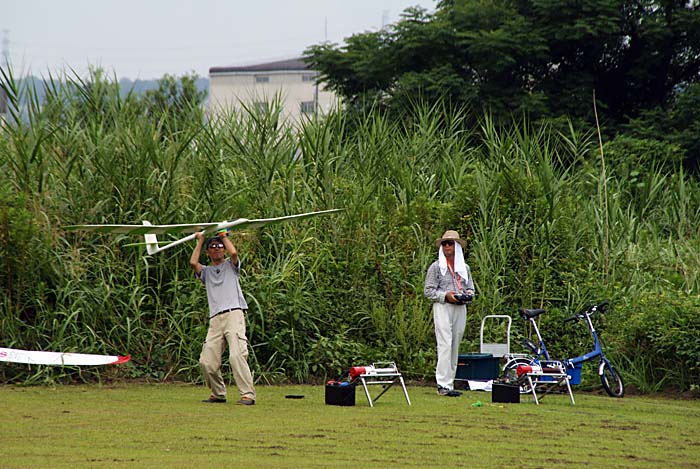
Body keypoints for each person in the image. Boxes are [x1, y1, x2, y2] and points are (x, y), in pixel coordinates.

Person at [190, 231, 256, 405]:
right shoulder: (206, 272)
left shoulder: (231, 266)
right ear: (208, 252)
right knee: (207, 362)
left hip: (234, 314)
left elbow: (234, 253)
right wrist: (200, 240)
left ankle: (247, 395)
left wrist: (224, 235)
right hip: (215, 319)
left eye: (220, 246)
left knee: (236, 356)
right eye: (212, 247)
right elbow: (193, 262)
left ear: (224, 250)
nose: (217, 249)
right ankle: (218, 393)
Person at [424, 230, 475, 397]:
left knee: (455, 345)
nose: (447, 246)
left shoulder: (464, 268)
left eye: (451, 243)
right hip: (443, 306)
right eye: (445, 244)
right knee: (445, 344)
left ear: (457, 246)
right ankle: (442, 384)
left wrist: (466, 295)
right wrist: (446, 295)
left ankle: (450, 382)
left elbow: (471, 289)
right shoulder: (436, 267)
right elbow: (428, 291)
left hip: (460, 306)